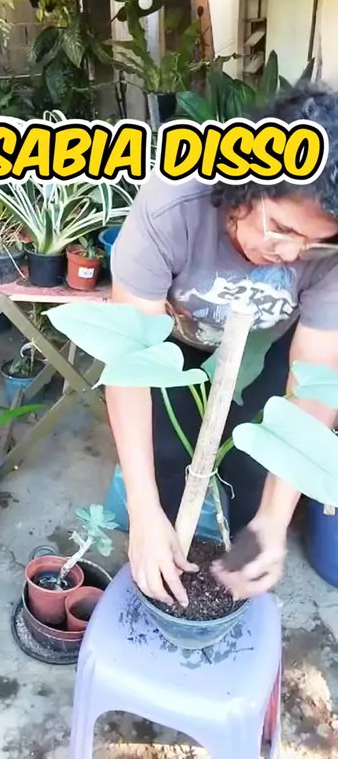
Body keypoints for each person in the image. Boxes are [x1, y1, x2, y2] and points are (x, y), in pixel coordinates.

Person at [108, 83, 338, 608]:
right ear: (245, 184)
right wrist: (143, 512)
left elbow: (316, 381)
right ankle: (162, 568)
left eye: (314, 242)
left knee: (251, 467)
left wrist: (274, 520)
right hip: (175, 344)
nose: (291, 254)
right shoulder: (174, 203)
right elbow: (130, 359)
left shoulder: (329, 252)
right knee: (167, 457)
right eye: (282, 229)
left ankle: (235, 581)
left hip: (266, 349)